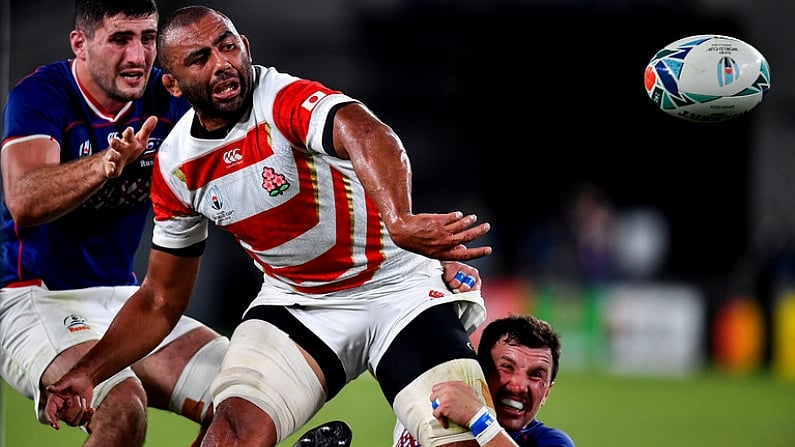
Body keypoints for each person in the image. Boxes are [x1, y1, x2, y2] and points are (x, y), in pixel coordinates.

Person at [44, 5, 494, 447]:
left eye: (228, 46)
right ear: (173, 85)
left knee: (458, 438)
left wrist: (398, 219)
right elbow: (161, 299)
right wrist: (87, 372)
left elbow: (368, 132)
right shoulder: (177, 166)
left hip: (397, 289)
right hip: (298, 304)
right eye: (200, 59)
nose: (222, 64)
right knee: (227, 438)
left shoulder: (282, 98)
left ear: (245, 47)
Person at [0, 1, 232, 445]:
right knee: (122, 407)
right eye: (121, 39)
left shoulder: (165, 96)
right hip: (35, 296)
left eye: (148, 38)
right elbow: (24, 199)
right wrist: (104, 164)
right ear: (80, 44)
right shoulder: (43, 95)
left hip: (123, 298)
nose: (139, 56)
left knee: (242, 397)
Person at [394, 314, 575, 447]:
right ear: (480, 370)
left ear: (546, 394)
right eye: (507, 367)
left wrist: (478, 419)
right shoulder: (429, 391)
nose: (519, 386)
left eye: (536, 375)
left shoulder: (550, 442)